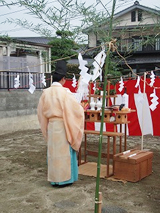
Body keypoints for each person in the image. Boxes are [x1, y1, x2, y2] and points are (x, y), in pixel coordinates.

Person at [37, 60, 84, 186]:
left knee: (53, 153)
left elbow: (40, 113)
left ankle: (55, 179)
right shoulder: (65, 92)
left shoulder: (45, 93)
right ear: (63, 79)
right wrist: (81, 109)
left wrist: (45, 128)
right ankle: (65, 179)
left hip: (51, 126)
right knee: (64, 154)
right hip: (63, 126)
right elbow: (75, 110)